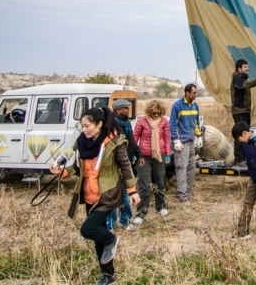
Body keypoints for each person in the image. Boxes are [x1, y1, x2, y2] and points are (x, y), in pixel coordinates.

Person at [50, 106, 138, 285]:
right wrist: (61, 172)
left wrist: (132, 190)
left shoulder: (114, 142)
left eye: (87, 125)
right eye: (82, 126)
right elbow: (77, 168)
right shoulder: (83, 142)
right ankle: (108, 275)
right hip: (89, 195)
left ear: (99, 124)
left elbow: (125, 166)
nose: (84, 130)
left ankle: (112, 239)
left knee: (88, 230)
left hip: (106, 195)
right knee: (99, 237)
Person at [132, 99, 173, 224]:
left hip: (159, 155)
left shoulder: (164, 121)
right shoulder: (141, 121)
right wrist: (134, 154)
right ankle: (141, 211)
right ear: (149, 111)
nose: (156, 115)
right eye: (154, 113)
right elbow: (135, 138)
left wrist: (168, 154)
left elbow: (166, 138)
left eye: (159, 113)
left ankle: (160, 206)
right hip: (143, 156)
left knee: (160, 182)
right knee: (144, 185)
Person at [106, 99, 144, 231]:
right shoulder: (112, 125)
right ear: (117, 110)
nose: (128, 110)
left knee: (126, 194)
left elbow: (132, 141)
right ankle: (109, 225)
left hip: (126, 164)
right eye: (125, 108)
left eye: (128, 108)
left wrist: (139, 155)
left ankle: (125, 221)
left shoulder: (127, 123)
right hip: (115, 166)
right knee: (112, 196)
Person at [230, 59, 256, 165]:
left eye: (247, 66)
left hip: (245, 110)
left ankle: (244, 156)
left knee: (246, 134)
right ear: (239, 69)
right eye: (245, 67)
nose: (247, 69)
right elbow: (245, 85)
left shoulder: (243, 77)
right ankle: (239, 158)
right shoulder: (237, 78)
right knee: (240, 134)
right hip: (239, 111)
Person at [169, 83, 202, 205]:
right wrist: (175, 139)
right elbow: (172, 124)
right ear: (187, 93)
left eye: (196, 92)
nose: (196, 95)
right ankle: (182, 196)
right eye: (194, 93)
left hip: (191, 140)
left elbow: (196, 123)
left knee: (191, 167)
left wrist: (198, 136)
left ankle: (187, 192)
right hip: (181, 142)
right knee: (181, 167)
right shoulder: (177, 106)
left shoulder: (195, 105)